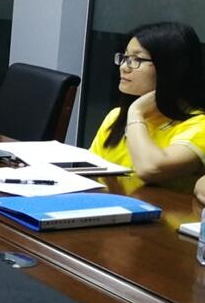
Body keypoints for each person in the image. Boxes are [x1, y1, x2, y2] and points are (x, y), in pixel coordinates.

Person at [88, 22, 205, 192]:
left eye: (137, 59)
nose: (124, 67)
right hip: (109, 203)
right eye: (125, 57)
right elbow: (89, 170)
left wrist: (136, 112)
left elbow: (150, 169)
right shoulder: (116, 116)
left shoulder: (199, 126)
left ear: (170, 68)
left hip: (160, 210)